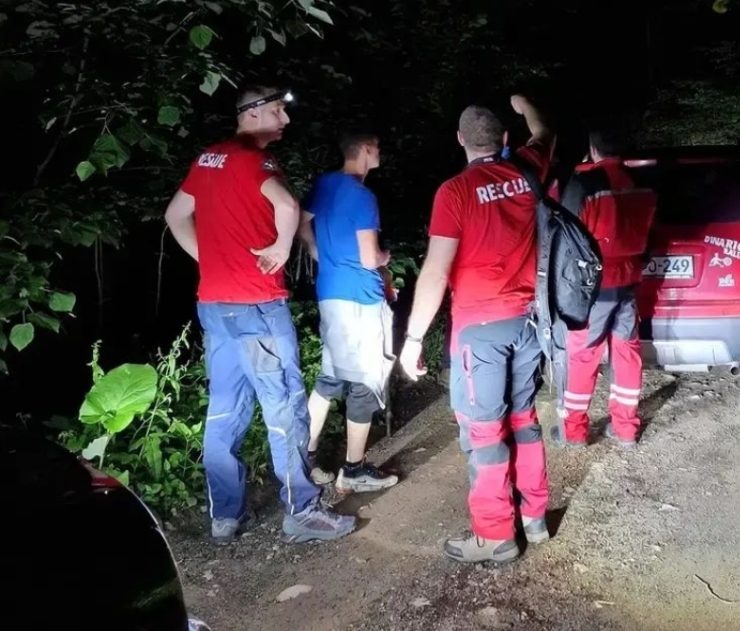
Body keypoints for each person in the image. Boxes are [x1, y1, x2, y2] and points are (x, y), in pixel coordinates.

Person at [163, 85, 356, 545]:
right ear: (250, 115)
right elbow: (288, 206)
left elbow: (175, 215)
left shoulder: (208, 158)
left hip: (213, 306)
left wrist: (207, 260)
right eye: (276, 111)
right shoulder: (255, 160)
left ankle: (225, 517)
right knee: (284, 403)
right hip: (256, 304)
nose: (285, 120)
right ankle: (302, 511)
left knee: (224, 409)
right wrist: (282, 246)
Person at [398, 94, 554, 564]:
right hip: (527, 324)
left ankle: (495, 535)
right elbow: (546, 133)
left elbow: (436, 270)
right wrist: (526, 105)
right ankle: (535, 517)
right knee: (523, 418)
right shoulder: (527, 169)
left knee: (484, 432)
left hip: (479, 332)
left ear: (461, 140)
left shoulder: (455, 192)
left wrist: (412, 340)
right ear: (506, 140)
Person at [297, 131, 399, 493]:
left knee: (329, 378)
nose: (380, 153)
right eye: (378, 147)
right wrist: (386, 259)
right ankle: (354, 470)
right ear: (367, 150)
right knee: (366, 381)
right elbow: (371, 257)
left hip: (330, 294)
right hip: (361, 299)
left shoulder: (325, 184)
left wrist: (317, 252)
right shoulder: (362, 196)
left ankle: (303, 457)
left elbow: (301, 222)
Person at [552, 123, 657, 449]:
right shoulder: (642, 183)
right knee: (626, 354)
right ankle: (625, 429)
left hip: (592, 288)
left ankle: (575, 432)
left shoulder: (585, 183)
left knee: (583, 356)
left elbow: (566, 235)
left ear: (593, 150)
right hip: (628, 282)